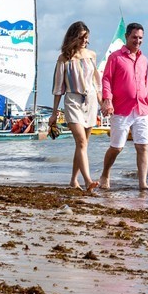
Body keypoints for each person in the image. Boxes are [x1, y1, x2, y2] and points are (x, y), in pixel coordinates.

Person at [99, 22, 148, 191]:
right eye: (134, 37)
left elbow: (146, 83)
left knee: (142, 146)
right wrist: (107, 100)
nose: (137, 41)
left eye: (140, 38)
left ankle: (142, 183)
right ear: (127, 37)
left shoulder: (144, 60)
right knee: (117, 147)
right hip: (121, 108)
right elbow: (106, 79)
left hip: (142, 108)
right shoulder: (115, 57)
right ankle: (105, 174)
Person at [51, 21, 102, 192]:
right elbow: (58, 88)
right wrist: (54, 113)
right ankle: (88, 181)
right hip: (72, 100)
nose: (84, 41)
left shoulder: (91, 55)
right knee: (81, 141)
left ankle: (73, 180)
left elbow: (96, 81)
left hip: (91, 101)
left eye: (86, 38)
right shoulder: (63, 58)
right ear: (73, 37)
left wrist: (103, 101)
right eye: (81, 37)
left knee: (83, 144)